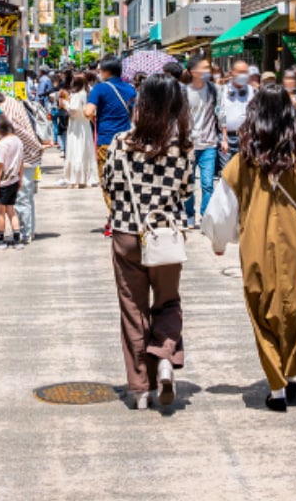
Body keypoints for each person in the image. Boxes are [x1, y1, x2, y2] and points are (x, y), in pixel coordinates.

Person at [208, 82, 296, 412]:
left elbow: (221, 212)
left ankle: (277, 386)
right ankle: (290, 373)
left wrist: (219, 241)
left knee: (263, 310)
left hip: (256, 244)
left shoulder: (241, 163)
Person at [102, 74, 193, 411]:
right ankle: (165, 358)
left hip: (127, 234)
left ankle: (141, 388)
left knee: (133, 310)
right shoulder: (182, 147)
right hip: (166, 237)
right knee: (168, 302)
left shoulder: (120, 142)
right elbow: (186, 191)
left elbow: (109, 185)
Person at [0, 88, 44, 243]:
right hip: (24, 156)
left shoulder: (3, 112)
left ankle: (25, 233)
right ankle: (27, 231)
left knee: (20, 197)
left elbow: (18, 136)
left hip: (22, 158)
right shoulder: (7, 101)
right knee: (24, 196)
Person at [86, 56, 137, 236]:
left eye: (100, 70)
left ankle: (117, 219)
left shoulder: (100, 88)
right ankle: (125, 217)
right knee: (126, 180)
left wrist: (96, 116)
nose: (99, 73)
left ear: (106, 71)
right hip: (127, 140)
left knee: (107, 181)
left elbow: (88, 111)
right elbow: (135, 114)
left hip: (106, 140)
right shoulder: (130, 89)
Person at [183, 55, 220, 227]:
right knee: (188, 183)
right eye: (204, 68)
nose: (207, 71)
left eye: (208, 68)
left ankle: (205, 216)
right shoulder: (184, 92)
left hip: (209, 143)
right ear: (192, 71)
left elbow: (220, 113)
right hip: (189, 144)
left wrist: (224, 137)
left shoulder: (213, 89)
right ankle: (189, 215)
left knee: (208, 184)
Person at [0, 112, 25, 247]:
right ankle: (17, 238)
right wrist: (20, 179)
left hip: (3, 183)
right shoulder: (17, 141)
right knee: (11, 210)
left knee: (0, 212)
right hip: (14, 180)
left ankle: (0, 239)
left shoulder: (2, 144)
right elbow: (21, 162)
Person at [63, 71, 100, 187]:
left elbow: (73, 110)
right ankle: (84, 177)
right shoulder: (85, 94)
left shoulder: (77, 95)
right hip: (84, 125)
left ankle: (75, 178)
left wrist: (65, 104)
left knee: (76, 149)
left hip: (76, 126)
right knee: (84, 149)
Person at [218, 59, 254, 165]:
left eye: (245, 72)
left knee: (244, 170)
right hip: (227, 138)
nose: (243, 75)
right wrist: (224, 138)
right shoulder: (222, 90)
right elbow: (220, 113)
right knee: (226, 171)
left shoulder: (251, 90)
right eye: (240, 72)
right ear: (231, 73)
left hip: (246, 138)